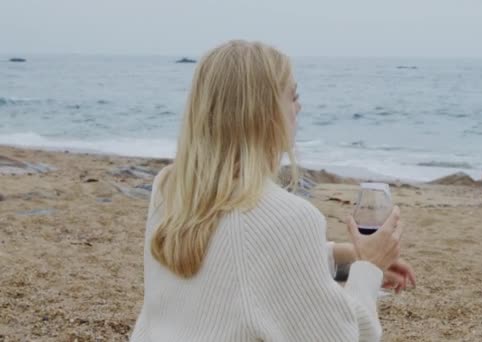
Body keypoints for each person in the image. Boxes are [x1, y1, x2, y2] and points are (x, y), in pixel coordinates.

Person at [130, 40, 415, 342]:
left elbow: (236, 258)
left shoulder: (171, 186)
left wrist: (345, 255)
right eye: (293, 96)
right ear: (262, 114)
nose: (299, 107)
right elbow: (346, 336)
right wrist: (367, 269)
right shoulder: (289, 217)